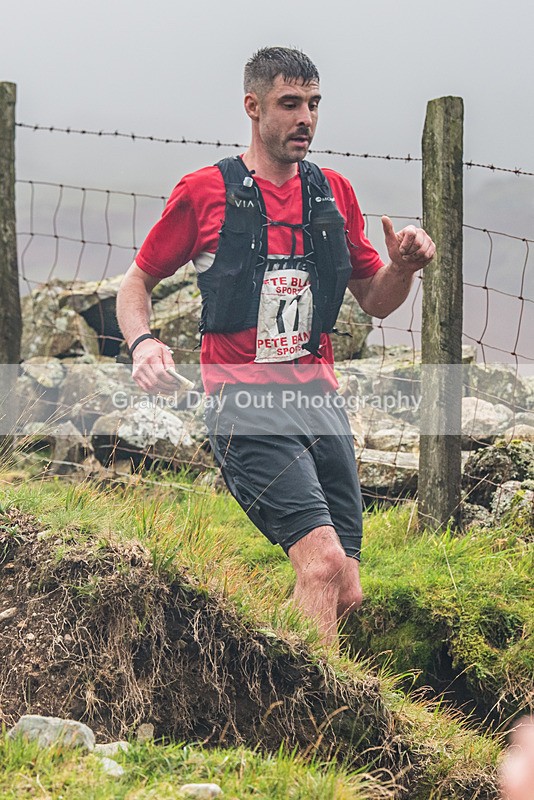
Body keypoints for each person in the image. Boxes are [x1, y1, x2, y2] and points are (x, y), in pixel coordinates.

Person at [117, 46, 435, 646]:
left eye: (314, 104)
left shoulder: (333, 193)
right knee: (319, 564)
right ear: (253, 107)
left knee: (347, 587)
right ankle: (319, 720)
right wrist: (143, 343)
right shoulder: (205, 193)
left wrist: (404, 267)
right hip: (244, 408)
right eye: (290, 104)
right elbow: (136, 283)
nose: (306, 119)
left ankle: (273, 672)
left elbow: (375, 298)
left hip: (319, 403)